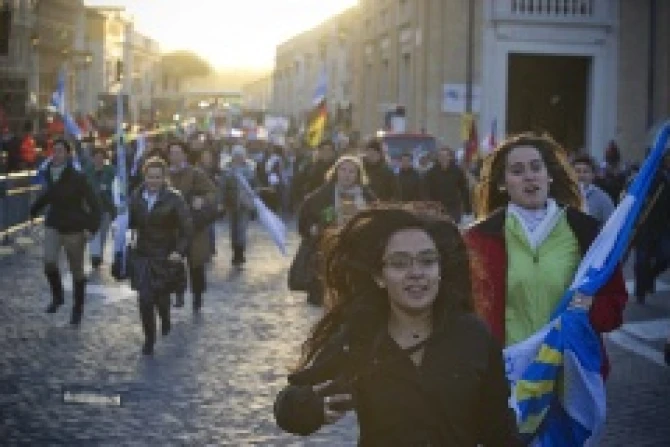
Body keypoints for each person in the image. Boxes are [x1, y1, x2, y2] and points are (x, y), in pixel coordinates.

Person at [274, 206, 520, 445]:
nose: (416, 273)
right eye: (400, 263)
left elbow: (498, 431)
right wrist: (310, 408)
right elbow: (288, 402)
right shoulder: (359, 339)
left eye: (427, 261)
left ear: (440, 270)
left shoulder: (473, 336)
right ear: (379, 276)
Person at [465, 133, 628, 379]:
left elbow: (614, 305)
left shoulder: (586, 231)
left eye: (536, 167)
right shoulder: (478, 239)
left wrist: (591, 306)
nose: (529, 176)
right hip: (507, 375)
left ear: (549, 175)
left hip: (569, 374)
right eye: (517, 171)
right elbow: (465, 310)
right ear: (502, 182)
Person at [29, 138, 101, 325]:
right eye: (54, 150)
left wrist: (92, 228)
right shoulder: (49, 172)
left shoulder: (78, 178)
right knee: (49, 262)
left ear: (68, 154)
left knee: (77, 271)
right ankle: (58, 296)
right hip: (53, 224)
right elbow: (49, 195)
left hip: (74, 228)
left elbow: (95, 205)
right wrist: (34, 209)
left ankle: (77, 309)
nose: (57, 154)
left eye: (60, 151)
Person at [128, 157, 193, 355]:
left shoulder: (174, 198)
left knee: (161, 297)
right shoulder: (137, 196)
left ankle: (165, 316)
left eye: (158, 177)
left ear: (164, 177)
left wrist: (179, 252)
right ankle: (149, 338)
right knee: (145, 299)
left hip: (165, 255)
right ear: (144, 176)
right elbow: (130, 222)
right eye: (150, 177)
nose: (153, 181)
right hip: (143, 254)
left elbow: (187, 228)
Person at [298, 156, 377, 305]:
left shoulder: (367, 195)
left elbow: (377, 217)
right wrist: (313, 228)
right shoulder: (323, 194)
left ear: (358, 175)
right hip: (329, 247)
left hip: (358, 250)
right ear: (336, 172)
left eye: (352, 171)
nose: (347, 174)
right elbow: (306, 214)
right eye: (343, 170)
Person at [167, 141, 217, 311]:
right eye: (171, 152)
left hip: (194, 226)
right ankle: (178, 293)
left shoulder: (195, 174)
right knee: (174, 263)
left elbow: (212, 192)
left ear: (184, 154)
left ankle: (197, 296)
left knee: (195, 264)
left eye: (177, 152)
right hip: (173, 228)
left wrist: (202, 200)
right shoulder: (165, 175)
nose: (174, 156)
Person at [221, 145, 257, 266]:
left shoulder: (250, 170)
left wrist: (254, 201)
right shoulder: (227, 170)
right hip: (231, 205)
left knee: (241, 229)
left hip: (244, 206)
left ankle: (240, 254)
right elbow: (223, 188)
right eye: (236, 156)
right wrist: (221, 203)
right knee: (233, 230)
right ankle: (234, 252)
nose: (238, 158)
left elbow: (254, 186)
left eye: (240, 156)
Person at [85, 148, 117, 268]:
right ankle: (95, 256)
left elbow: (116, 188)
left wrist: (107, 189)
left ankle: (99, 255)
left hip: (106, 208)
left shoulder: (111, 171)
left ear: (104, 158)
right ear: (92, 158)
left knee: (103, 233)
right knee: (94, 232)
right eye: (96, 157)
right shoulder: (87, 171)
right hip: (91, 208)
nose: (98, 159)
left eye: (101, 157)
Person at [425, 146, 472, 223]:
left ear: (450, 157)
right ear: (438, 158)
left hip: (453, 206)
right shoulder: (431, 172)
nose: (443, 158)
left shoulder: (457, 171)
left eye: (445, 156)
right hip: (437, 207)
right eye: (440, 156)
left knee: (453, 227)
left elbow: (464, 189)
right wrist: (429, 204)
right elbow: (426, 189)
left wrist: (468, 208)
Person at [572, 154, 615, 225]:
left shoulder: (603, 199)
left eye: (585, 172)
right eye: (577, 171)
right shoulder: (564, 197)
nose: (581, 175)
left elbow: (612, 225)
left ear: (593, 175)